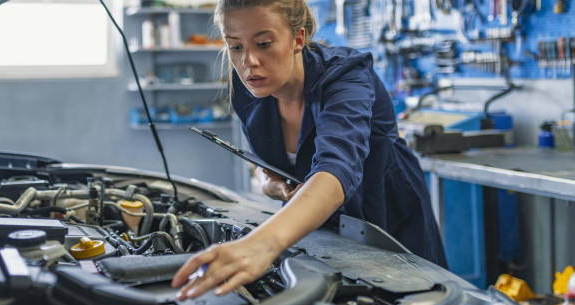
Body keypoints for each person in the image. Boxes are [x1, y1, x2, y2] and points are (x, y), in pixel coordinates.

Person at [171, 0, 447, 300]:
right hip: (316, 228)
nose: (249, 61)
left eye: (263, 43)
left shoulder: (347, 77)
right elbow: (269, 163)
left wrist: (261, 244)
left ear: (298, 39)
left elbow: (336, 167)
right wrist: (270, 183)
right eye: (235, 46)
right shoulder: (249, 89)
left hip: (387, 222)